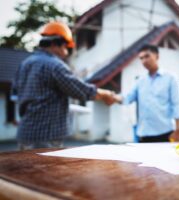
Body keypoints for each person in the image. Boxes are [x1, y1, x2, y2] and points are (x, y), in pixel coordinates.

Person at [12, 21, 115, 150]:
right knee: (46, 170)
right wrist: (106, 94)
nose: (66, 53)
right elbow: (80, 90)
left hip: (24, 133)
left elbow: (16, 94)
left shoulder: (25, 64)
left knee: (27, 170)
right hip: (45, 137)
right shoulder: (54, 65)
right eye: (66, 47)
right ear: (55, 43)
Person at [113, 44, 179, 142]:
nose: (144, 61)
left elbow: (177, 105)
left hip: (165, 134)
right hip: (143, 134)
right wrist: (111, 96)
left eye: (147, 56)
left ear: (157, 56)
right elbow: (127, 98)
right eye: (141, 58)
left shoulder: (171, 78)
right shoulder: (140, 81)